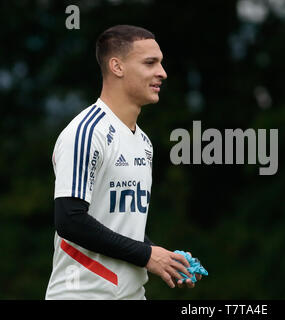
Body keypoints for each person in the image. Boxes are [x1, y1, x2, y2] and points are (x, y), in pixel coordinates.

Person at [45, 25, 201, 300]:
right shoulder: (86, 133)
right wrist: (147, 255)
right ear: (117, 66)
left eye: (161, 63)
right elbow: (70, 220)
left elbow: (119, 228)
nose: (162, 73)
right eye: (150, 63)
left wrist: (165, 259)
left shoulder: (143, 142)